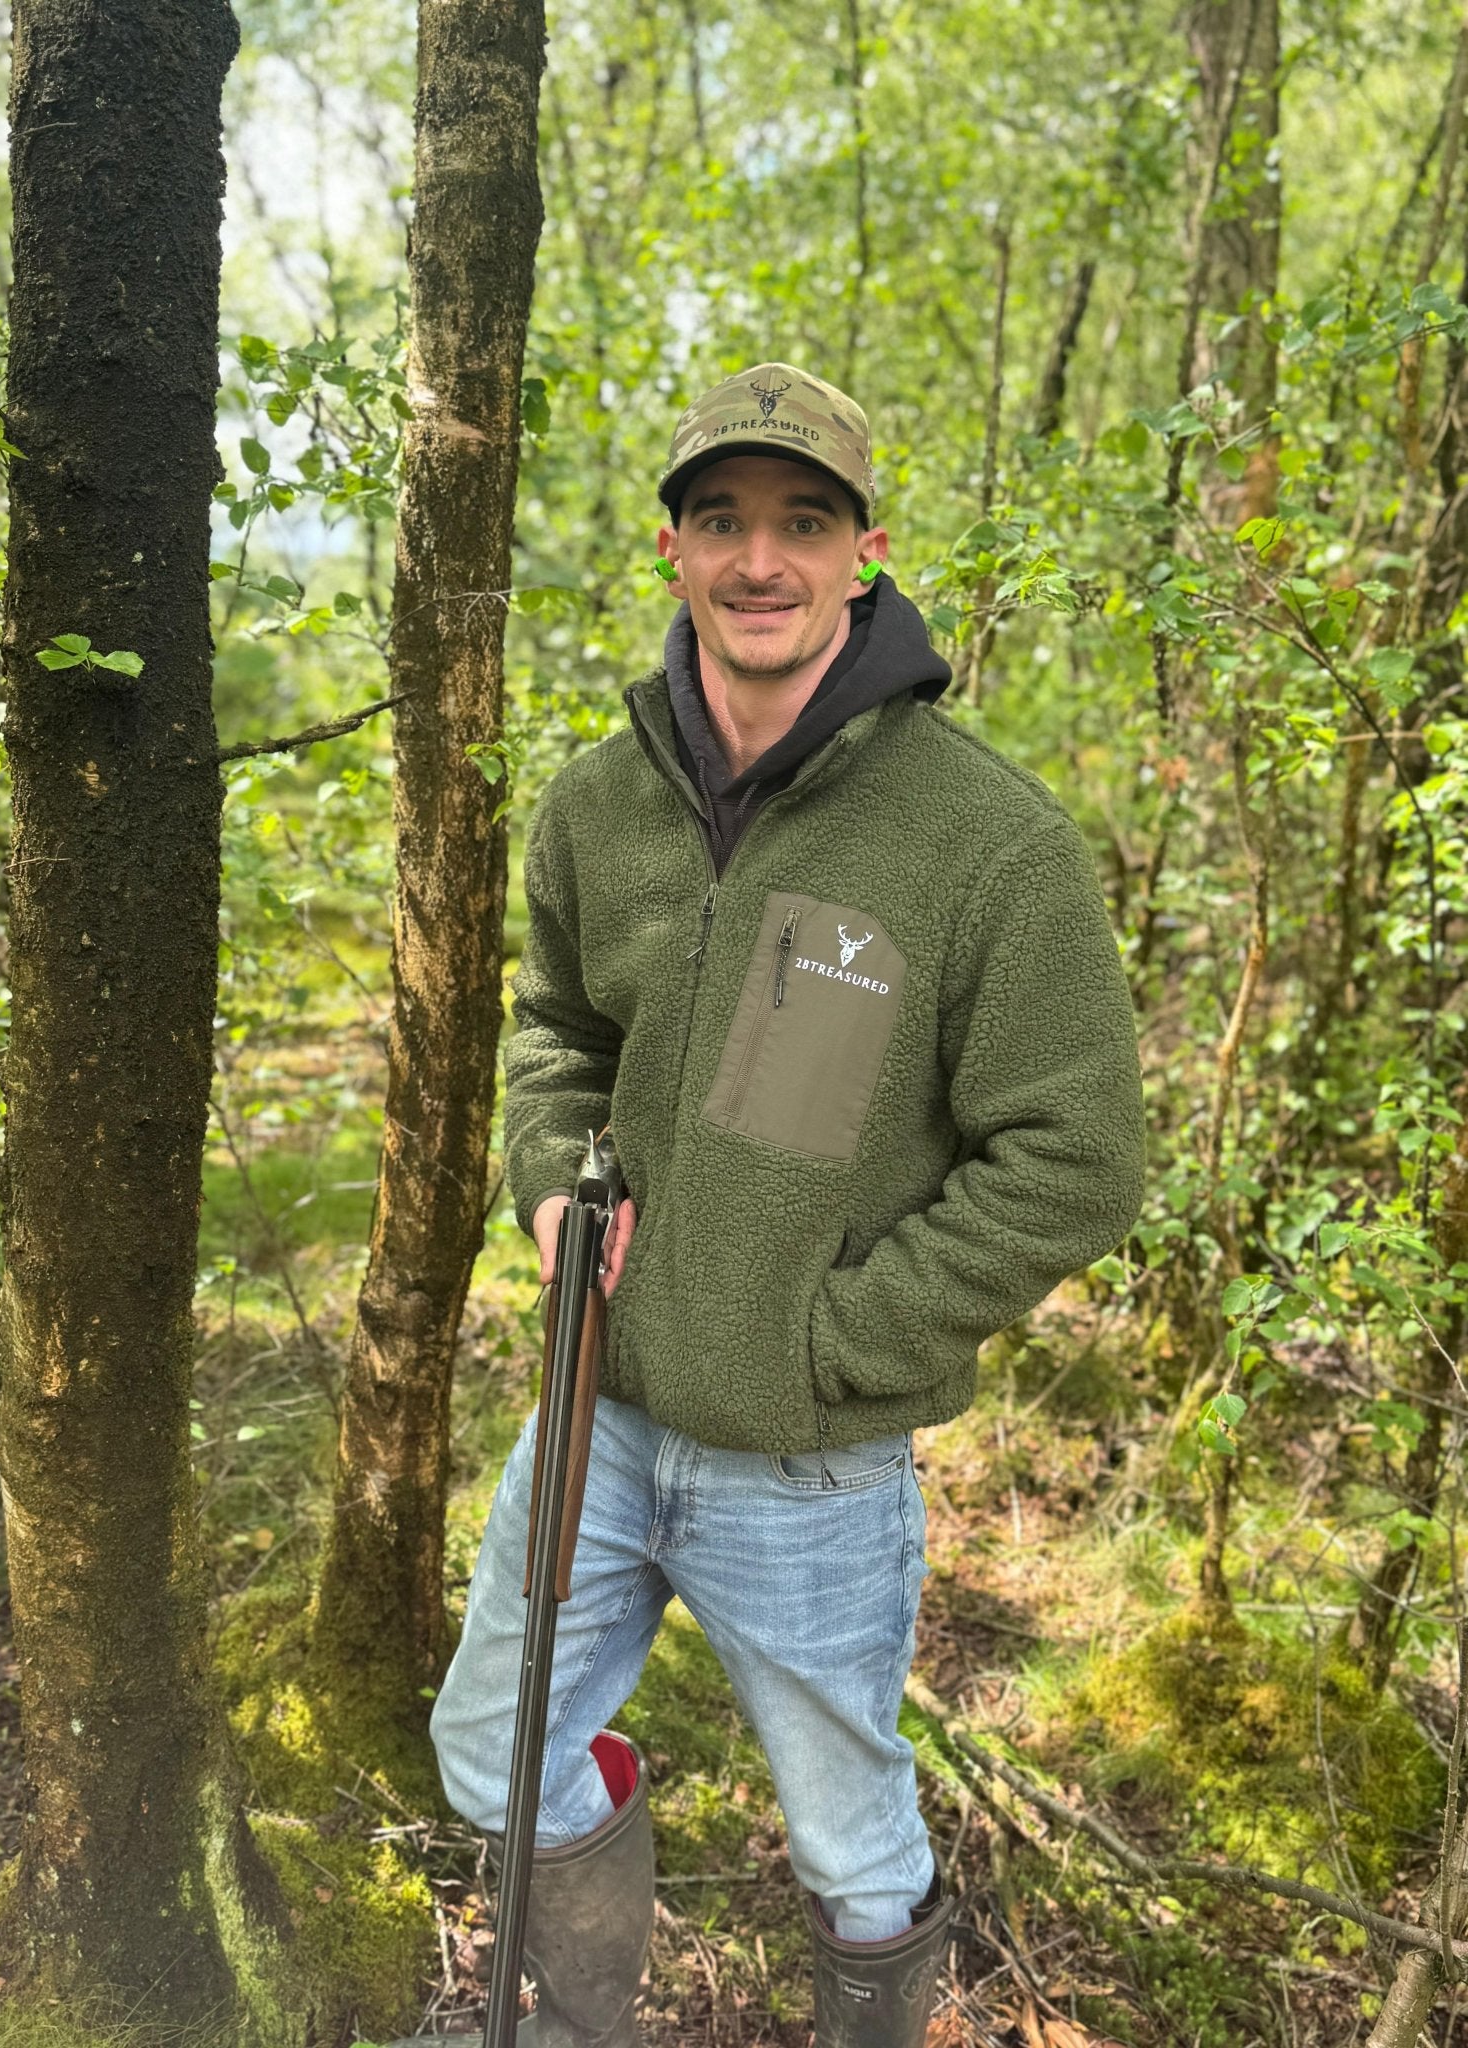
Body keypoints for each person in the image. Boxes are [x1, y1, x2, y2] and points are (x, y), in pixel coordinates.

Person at [423, 363, 1145, 2046]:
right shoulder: (599, 804)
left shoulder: (987, 842)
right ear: (670, 549)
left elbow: (1078, 1157)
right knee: (490, 1743)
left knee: (848, 1842)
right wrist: (547, 1182)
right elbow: (557, 1030)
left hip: (812, 1460)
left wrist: (835, 1333)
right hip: (593, 1405)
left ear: (864, 555)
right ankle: (579, 2025)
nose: (763, 559)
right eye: (724, 521)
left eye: (803, 524)